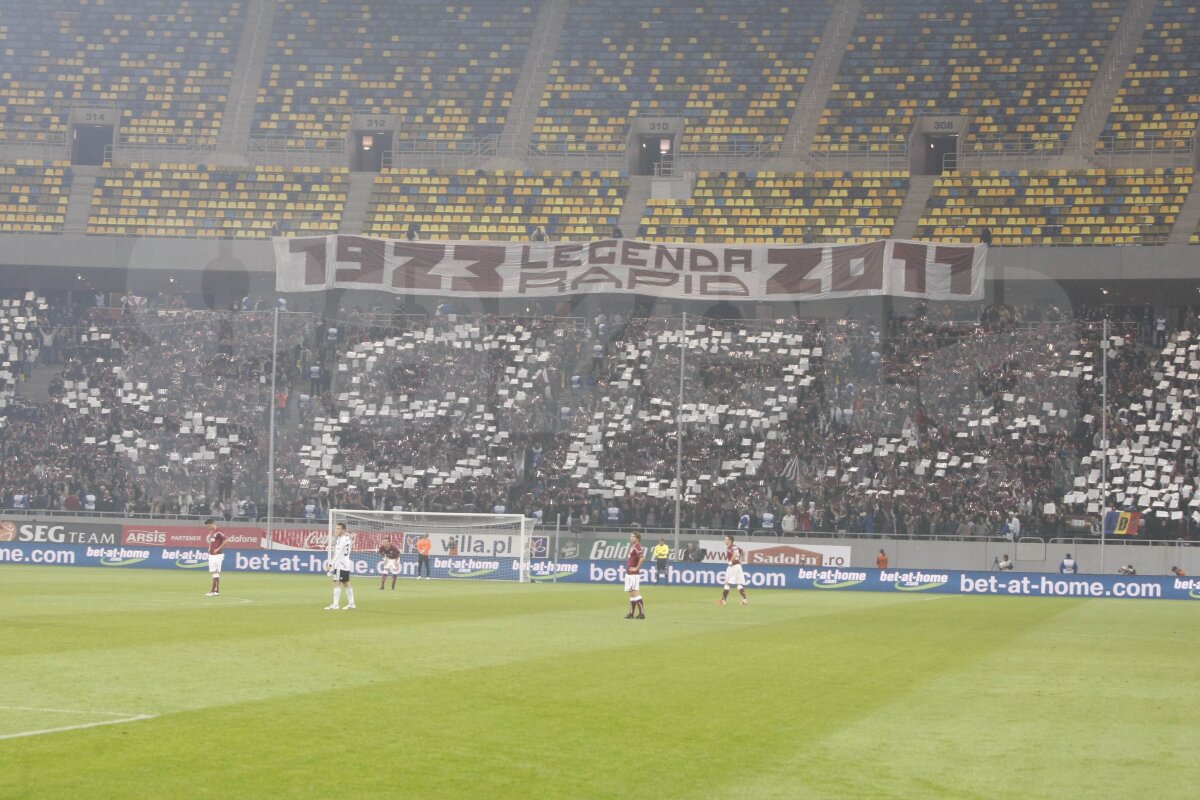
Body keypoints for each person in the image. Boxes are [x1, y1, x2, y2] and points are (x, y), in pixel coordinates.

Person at [326, 522, 356, 610]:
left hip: (340, 565)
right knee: (346, 583)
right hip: (346, 563)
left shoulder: (342, 540)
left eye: (338, 528)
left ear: (343, 530)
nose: (336, 530)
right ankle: (352, 604)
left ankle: (335, 605)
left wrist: (331, 564)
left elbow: (338, 553)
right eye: (336, 528)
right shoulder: (347, 539)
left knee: (336, 582)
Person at [719, 534, 749, 606]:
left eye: (726, 539)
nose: (725, 540)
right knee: (739, 584)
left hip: (733, 566)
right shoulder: (735, 546)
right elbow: (743, 552)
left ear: (730, 540)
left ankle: (723, 601)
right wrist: (741, 561)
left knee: (727, 583)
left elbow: (735, 555)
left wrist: (730, 562)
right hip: (738, 566)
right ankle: (744, 600)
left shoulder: (729, 547)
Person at [624, 531, 646, 619]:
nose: (631, 538)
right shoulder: (633, 546)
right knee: (631, 593)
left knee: (635, 592)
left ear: (637, 538)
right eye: (631, 536)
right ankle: (631, 613)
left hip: (634, 574)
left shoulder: (637, 547)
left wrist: (636, 568)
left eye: (633, 537)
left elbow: (642, 558)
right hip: (629, 573)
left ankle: (642, 613)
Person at [205, 518, 225, 597]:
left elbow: (227, 540)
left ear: (212, 524)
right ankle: (214, 591)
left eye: (208, 526)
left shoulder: (219, 531)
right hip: (212, 555)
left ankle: (215, 591)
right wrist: (209, 548)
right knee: (214, 572)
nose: (207, 528)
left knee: (216, 572)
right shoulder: (212, 532)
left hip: (217, 555)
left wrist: (218, 549)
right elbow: (212, 543)